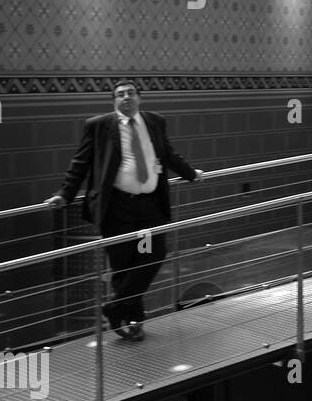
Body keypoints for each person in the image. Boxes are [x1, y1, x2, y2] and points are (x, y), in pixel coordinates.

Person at [46, 80, 203, 341]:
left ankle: (116, 306)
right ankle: (131, 321)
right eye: (120, 95)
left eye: (131, 93)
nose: (126, 98)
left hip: (151, 203)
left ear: (139, 98)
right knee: (123, 264)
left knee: (155, 253)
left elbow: (168, 154)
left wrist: (190, 174)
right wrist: (64, 194)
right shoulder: (98, 126)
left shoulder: (154, 121)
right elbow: (80, 163)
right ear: (114, 101)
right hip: (116, 206)